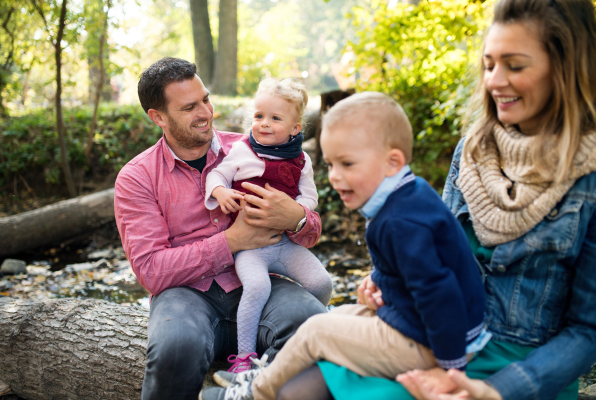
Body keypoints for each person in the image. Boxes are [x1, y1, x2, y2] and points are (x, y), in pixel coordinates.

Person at [280, 0, 596, 399]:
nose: (495, 80)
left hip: (520, 368)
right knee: (298, 388)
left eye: (514, 66)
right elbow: (435, 252)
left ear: (565, 70)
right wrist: (383, 283)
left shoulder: (589, 180)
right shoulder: (473, 153)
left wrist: (497, 391)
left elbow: (587, 332)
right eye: (489, 64)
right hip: (438, 336)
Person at [198, 92, 490, 400]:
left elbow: (438, 291)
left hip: (435, 345)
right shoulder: (409, 194)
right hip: (427, 326)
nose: (336, 178)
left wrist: (450, 371)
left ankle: (256, 393)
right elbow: (415, 267)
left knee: (315, 331)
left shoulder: (400, 222)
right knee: (331, 317)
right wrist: (381, 283)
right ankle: (272, 370)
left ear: (392, 162)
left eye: (348, 164)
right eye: (331, 165)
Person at [113, 57, 328, 400]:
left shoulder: (251, 148)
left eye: (205, 99)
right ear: (158, 117)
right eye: (189, 108)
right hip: (187, 294)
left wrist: (296, 218)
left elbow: (311, 232)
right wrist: (232, 241)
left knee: (314, 323)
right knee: (176, 348)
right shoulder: (137, 178)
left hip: (262, 281)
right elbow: (152, 271)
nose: (206, 112)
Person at [204, 77, 333, 372]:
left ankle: (315, 324)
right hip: (249, 247)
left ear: (294, 128)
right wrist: (220, 192)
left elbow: (309, 196)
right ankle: (245, 357)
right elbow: (218, 175)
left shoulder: (301, 161)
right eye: (259, 116)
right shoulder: (242, 151)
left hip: (284, 243)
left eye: (275, 118)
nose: (263, 123)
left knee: (321, 282)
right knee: (258, 286)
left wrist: (293, 212)